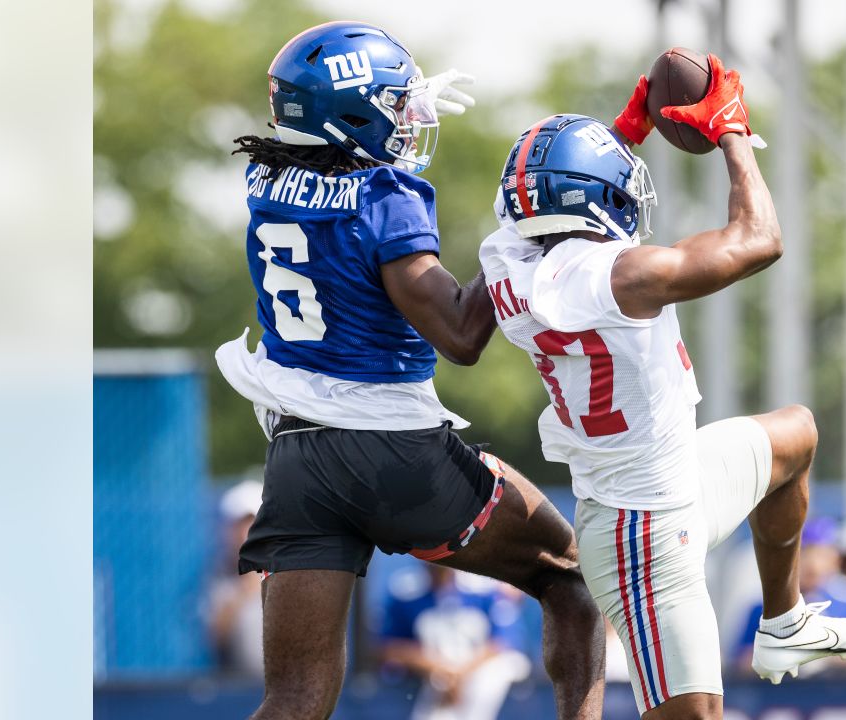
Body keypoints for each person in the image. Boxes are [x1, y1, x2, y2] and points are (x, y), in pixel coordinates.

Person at [478, 55, 846, 719]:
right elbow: (759, 239)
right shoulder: (625, 277)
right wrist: (732, 132)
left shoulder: (505, 258)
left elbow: (554, 203)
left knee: (795, 435)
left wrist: (625, 131)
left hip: (673, 478)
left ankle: (784, 624)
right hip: (643, 536)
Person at [215, 21, 603, 720]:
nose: (407, 118)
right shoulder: (385, 192)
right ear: (353, 113)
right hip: (391, 449)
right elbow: (459, 335)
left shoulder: (264, 178)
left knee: (296, 698)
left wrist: (394, 96)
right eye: (394, 104)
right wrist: (522, 232)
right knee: (571, 577)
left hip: (298, 460)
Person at [378, 564, 531, 720]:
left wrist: (460, 673)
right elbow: (388, 646)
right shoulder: (405, 590)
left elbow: (504, 639)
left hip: (478, 671)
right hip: (433, 677)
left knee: (493, 674)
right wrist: (437, 669)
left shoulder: (485, 587)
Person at [732, 519, 846, 674]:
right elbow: (740, 662)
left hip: (836, 696)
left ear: (835, 561)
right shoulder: (763, 610)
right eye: (804, 554)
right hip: (779, 695)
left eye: (821, 555)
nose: (812, 564)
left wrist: (826, 655)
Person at [205, 479, 265, 679]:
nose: (245, 533)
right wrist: (245, 590)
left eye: (252, 523)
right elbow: (215, 636)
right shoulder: (218, 576)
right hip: (237, 688)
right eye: (239, 525)